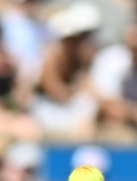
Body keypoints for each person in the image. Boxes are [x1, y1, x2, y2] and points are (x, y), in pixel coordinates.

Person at [32, 1, 100, 139]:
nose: (84, 41)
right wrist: (78, 90)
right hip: (47, 113)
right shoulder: (53, 57)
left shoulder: (82, 62)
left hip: (68, 112)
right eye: (81, 36)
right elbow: (57, 92)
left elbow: (91, 93)